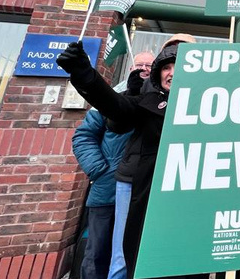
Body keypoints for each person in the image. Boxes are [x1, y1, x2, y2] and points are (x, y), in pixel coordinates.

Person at [58, 41, 184, 279]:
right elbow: (116, 109)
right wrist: (85, 75)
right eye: (166, 67)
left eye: (179, 66)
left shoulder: (209, 105)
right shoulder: (146, 101)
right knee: (125, 258)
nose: (172, 72)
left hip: (180, 195)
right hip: (139, 187)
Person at [108, 35, 194, 279]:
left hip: (175, 181)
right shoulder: (144, 87)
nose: (172, 69)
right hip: (135, 177)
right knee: (124, 255)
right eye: (167, 59)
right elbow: (114, 123)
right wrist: (132, 90)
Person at [72, 52, 153, 279]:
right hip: (107, 191)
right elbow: (83, 136)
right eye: (140, 64)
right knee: (97, 253)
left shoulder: (158, 99)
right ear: (130, 69)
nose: (144, 68)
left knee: (128, 257)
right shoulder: (110, 97)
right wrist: (100, 170)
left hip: (140, 192)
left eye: (149, 65)